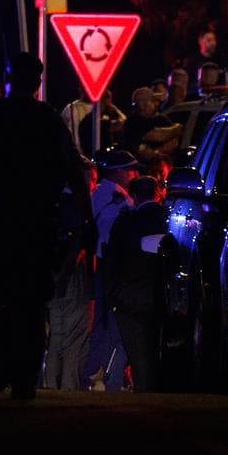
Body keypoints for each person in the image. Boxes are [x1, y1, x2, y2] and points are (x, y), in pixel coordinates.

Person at [0, 53, 87, 400]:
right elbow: (73, 168)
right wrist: (85, 212)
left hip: (4, 220)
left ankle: (9, 363)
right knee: (28, 301)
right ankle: (18, 369)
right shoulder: (46, 120)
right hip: (34, 223)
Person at [104, 175, 169, 392]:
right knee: (152, 352)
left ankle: (145, 394)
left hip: (129, 297)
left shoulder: (127, 222)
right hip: (159, 295)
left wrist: (114, 293)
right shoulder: (165, 219)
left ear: (133, 196)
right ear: (158, 192)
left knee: (138, 353)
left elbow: (112, 260)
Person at [84, 149, 138, 392]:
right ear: (116, 171)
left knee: (102, 321)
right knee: (109, 321)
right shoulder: (112, 197)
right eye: (128, 169)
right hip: (109, 265)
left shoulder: (101, 194)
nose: (131, 174)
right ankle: (99, 371)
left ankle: (95, 370)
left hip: (101, 264)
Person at [43, 159, 96, 390]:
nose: (93, 184)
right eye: (91, 178)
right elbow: (78, 242)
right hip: (71, 277)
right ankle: (68, 386)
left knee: (56, 334)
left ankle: (50, 384)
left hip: (50, 275)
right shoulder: (74, 205)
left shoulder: (49, 203)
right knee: (74, 336)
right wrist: (67, 274)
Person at [122, 86, 181, 162]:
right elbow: (136, 147)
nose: (141, 108)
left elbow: (174, 142)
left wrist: (159, 151)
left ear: (153, 102)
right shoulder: (131, 123)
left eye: (145, 103)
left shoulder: (161, 119)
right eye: (137, 105)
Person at [79, 89, 126, 153]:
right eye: (109, 100)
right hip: (98, 153)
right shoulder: (91, 120)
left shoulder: (94, 117)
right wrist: (114, 108)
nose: (110, 103)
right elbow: (120, 124)